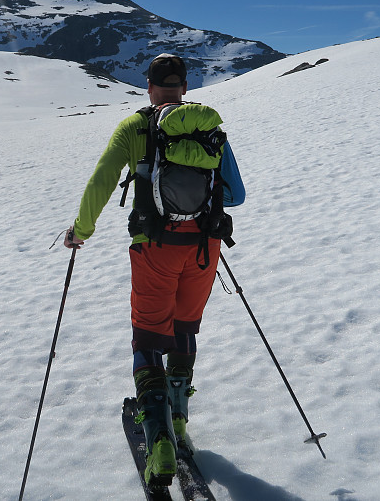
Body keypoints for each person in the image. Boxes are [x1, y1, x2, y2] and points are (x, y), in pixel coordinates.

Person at [64, 53, 244, 487]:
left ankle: (158, 439)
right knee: (184, 328)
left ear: (148, 86)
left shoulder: (135, 127)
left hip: (154, 247)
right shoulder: (209, 129)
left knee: (147, 335)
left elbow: (102, 180)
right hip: (204, 248)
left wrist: (80, 229)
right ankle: (179, 419)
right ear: (184, 87)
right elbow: (236, 194)